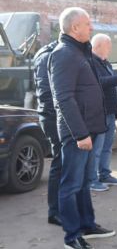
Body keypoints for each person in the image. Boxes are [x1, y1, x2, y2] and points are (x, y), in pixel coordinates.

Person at [49, 7, 115, 249]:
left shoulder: (80, 52)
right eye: (88, 23)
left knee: (84, 182)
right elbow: (63, 98)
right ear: (74, 28)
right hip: (77, 134)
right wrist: (80, 134)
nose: (92, 27)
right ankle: (72, 235)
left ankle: (87, 224)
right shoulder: (64, 54)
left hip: (89, 129)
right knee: (71, 184)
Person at [89, 34, 117, 191]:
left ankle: (105, 174)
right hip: (99, 112)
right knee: (97, 148)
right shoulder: (91, 62)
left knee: (107, 146)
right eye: (108, 46)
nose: (111, 49)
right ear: (99, 46)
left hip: (110, 112)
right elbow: (99, 83)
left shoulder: (105, 62)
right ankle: (92, 180)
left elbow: (111, 84)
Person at [33, 40, 61, 226]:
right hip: (53, 117)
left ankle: (60, 208)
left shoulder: (55, 52)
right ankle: (55, 212)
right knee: (60, 163)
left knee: (64, 163)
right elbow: (46, 93)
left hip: (58, 116)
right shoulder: (48, 55)